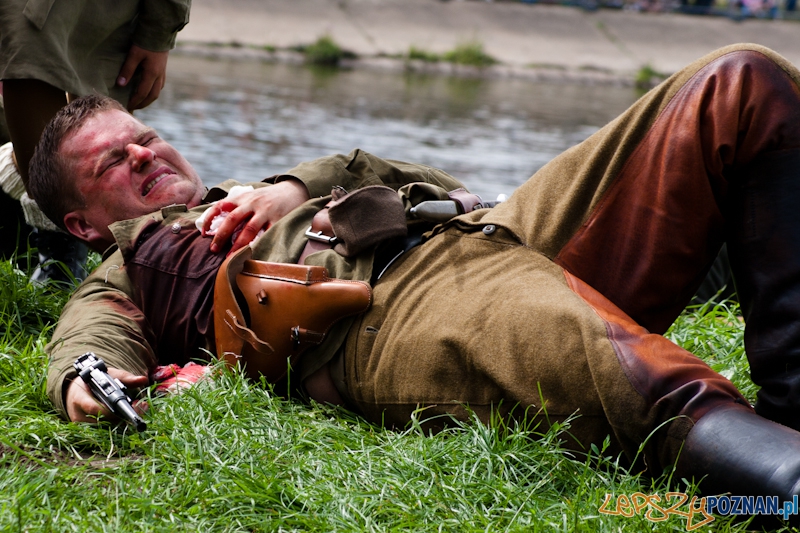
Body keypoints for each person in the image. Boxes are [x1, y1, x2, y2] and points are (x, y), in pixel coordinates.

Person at [30, 43, 800, 501]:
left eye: (144, 137)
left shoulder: (256, 190)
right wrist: (84, 382)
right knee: (632, 377)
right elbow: (85, 343)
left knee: (740, 83)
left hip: (493, 226)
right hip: (396, 308)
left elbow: (424, 175)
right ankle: (781, 487)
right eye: (113, 161)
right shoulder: (127, 266)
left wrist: (294, 186)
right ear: (81, 225)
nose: (144, 154)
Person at [0, 0, 191, 281]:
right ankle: (52, 260)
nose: (145, 154)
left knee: (103, 154)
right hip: (29, 15)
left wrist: (159, 32)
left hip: (107, 12)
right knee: (53, 155)